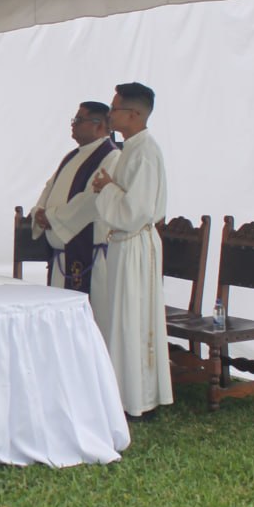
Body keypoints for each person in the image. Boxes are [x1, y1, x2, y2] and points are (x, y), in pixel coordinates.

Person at [91, 82, 170, 421]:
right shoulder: (131, 149)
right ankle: (123, 393)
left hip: (135, 243)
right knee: (121, 318)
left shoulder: (145, 152)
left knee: (133, 320)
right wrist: (110, 188)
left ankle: (138, 399)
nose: (110, 115)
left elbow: (136, 211)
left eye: (115, 109)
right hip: (124, 243)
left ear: (134, 114)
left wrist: (106, 188)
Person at [31, 101, 120, 296]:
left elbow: (92, 200)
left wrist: (51, 217)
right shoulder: (72, 156)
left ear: (98, 125)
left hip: (89, 257)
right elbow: (50, 187)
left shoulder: (111, 157)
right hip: (61, 258)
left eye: (79, 120)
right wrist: (39, 212)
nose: (73, 124)